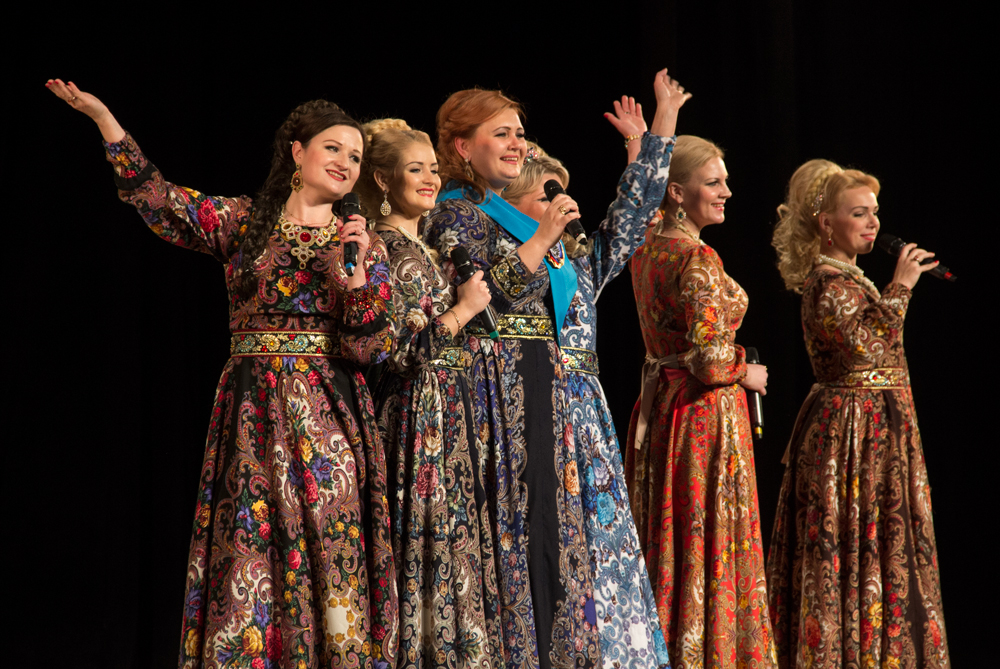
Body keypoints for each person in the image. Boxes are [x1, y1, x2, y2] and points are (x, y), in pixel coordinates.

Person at [46, 79, 398, 668]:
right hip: (252, 410)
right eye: (334, 148)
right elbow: (158, 199)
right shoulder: (244, 221)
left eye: (356, 156)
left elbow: (373, 348)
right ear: (297, 152)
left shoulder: (361, 243)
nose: (346, 162)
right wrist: (106, 120)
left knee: (329, 543)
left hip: (329, 416)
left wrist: (356, 274)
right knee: (249, 544)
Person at [423, 69, 685, 669]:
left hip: (579, 411)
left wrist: (657, 132)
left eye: (520, 134)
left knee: (593, 545)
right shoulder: (467, 218)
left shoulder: (570, 259)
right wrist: (541, 234)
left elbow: (629, 216)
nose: (556, 206)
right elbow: (491, 298)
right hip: (511, 397)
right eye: (544, 195)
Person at [767, 160, 950, 667]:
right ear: (827, 223)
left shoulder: (850, 279)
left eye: (874, 211)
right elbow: (868, 348)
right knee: (851, 539)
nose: (873, 223)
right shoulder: (827, 283)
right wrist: (902, 286)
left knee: (881, 539)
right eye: (859, 213)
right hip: (852, 433)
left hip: (878, 427)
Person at [623, 135, 777, 666]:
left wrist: (638, 146)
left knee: (671, 539)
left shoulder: (647, 246)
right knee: (704, 538)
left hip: (663, 407)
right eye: (713, 182)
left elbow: (643, 210)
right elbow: (711, 360)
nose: (727, 191)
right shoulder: (697, 257)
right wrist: (745, 369)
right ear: (677, 192)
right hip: (704, 415)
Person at [355, 118, 499, 669]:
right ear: (383, 179)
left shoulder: (432, 248)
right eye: (415, 169)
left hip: (451, 409)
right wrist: (462, 311)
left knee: (455, 542)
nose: (431, 179)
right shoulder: (383, 248)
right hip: (417, 414)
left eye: (434, 169)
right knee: (425, 542)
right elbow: (395, 352)